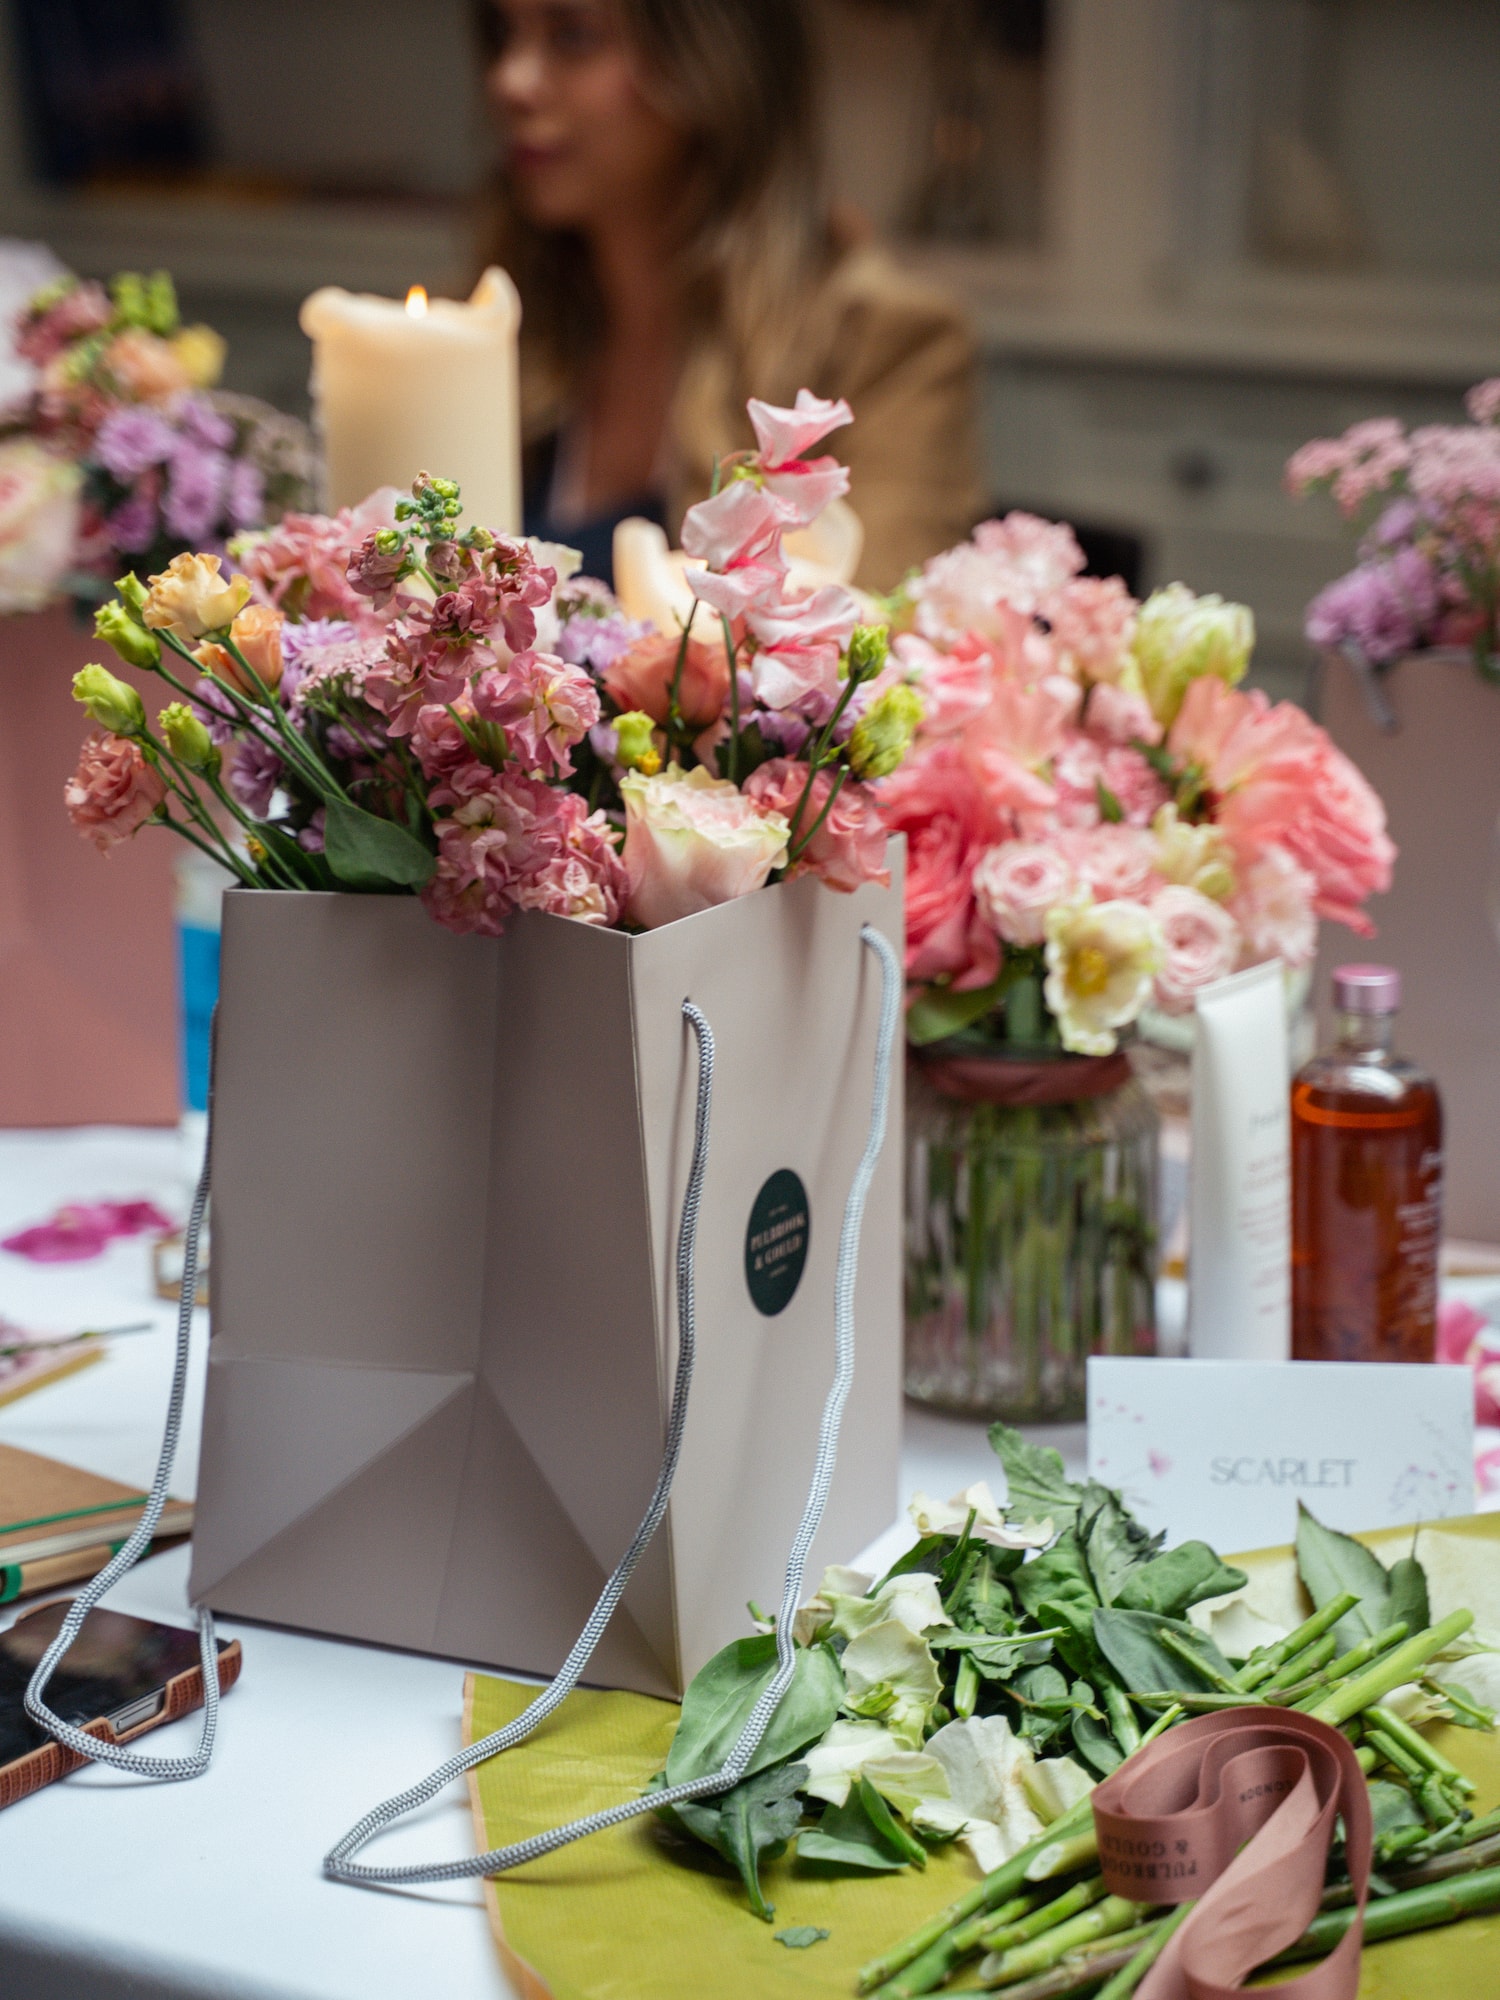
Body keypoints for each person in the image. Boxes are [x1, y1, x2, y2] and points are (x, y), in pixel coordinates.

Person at [476, 0, 985, 591]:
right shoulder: (481, 325)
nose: (508, 81)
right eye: (504, 33)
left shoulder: (887, 341)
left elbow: (859, 651)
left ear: (714, 66)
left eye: (573, 36)